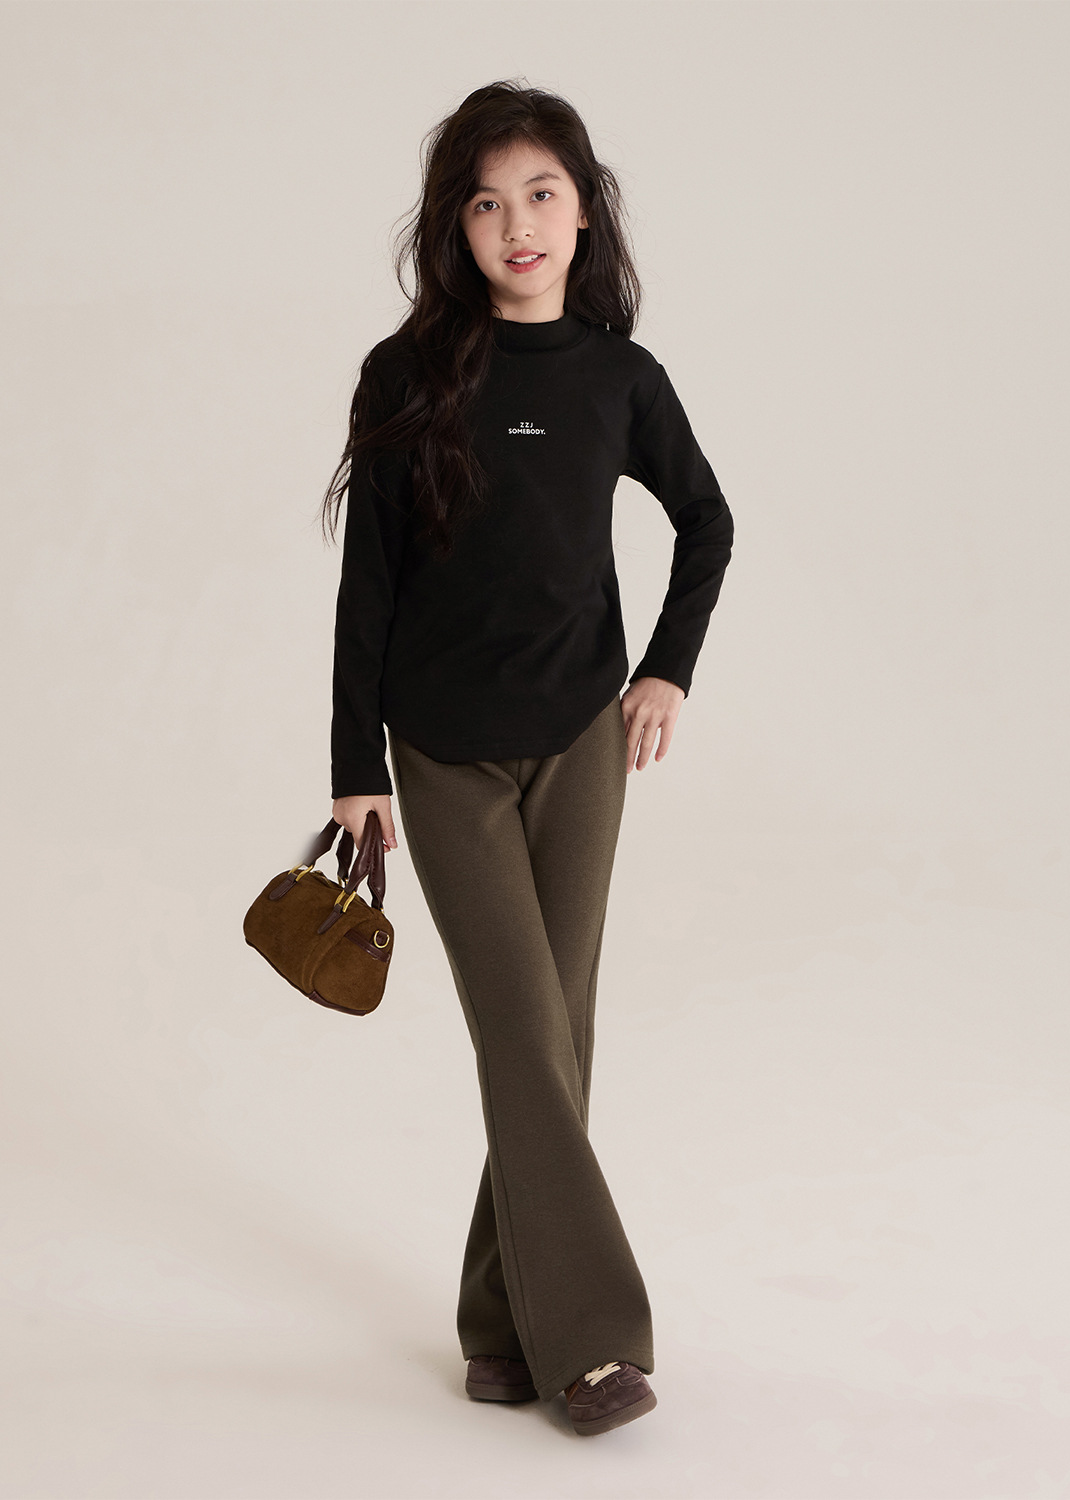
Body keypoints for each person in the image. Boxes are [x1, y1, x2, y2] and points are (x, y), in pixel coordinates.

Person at [320, 80, 734, 1437]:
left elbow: (708, 522)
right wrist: (357, 765)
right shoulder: (406, 376)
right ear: (457, 226)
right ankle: (594, 1344)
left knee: (562, 1035)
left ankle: (499, 1329)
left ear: (584, 210)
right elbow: (368, 585)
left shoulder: (621, 380)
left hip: (578, 743)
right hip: (442, 756)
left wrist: (666, 667)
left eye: (542, 194)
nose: (518, 225)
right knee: (521, 1030)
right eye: (487, 203)